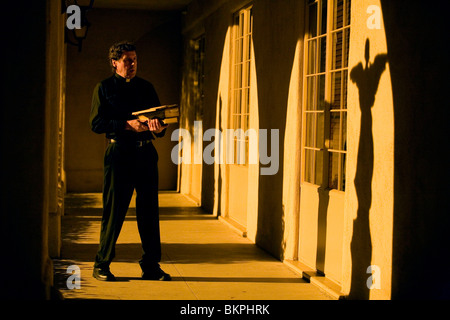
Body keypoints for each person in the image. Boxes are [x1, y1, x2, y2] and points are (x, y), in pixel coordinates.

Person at [89, 41, 171, 281]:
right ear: (114, 63)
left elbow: (159, 121)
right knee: (114, 210)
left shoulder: (146, 87)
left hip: (146, 154)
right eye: (127, 60)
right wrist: (126, 125)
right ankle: (102, 264)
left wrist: (159, 127)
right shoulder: (103, 88)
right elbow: (96, 124)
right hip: (119, 155)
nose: (132, 64)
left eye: (134, 59)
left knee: (149, 212)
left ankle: (151, 266)